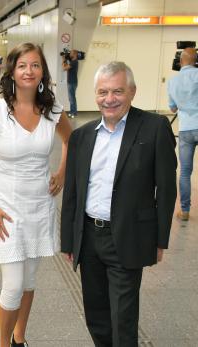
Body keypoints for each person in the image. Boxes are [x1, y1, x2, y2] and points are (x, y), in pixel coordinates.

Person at [60, 61, 177, 347]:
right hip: (89, 238)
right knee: (96, 316)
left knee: (123, 318)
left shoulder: (154, 128)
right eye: (102, 92)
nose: (109, 99)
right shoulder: (82, 136)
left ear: (132, 92)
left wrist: (159, 239)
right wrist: (68, 241)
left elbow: (166, 189)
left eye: (117, 91)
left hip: (127, 235)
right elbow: (72, 193)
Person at [0, 43, 71, 347]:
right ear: (12, 72)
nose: (29, 71)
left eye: (35, 65)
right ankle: (3, 344)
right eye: (22, 65)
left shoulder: (52, 110)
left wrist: (62, 173)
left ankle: (19, 338)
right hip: (7, 210)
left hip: (40, 207)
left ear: (43, 72)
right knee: (13, 285)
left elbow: (73, 141)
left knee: (28, 281)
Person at [168, 47, 198, 221]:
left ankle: (185, 211)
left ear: (181, 61)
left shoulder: (173, 81)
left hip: (185, 129)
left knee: (185, 171)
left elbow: (172, 108)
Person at [62, 50, 79, 118]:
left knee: (72, 98)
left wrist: (63, 60)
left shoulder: (74, 62)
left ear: (75, 54)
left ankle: (73, 113)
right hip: (71, 82)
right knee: (71, 98)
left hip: (72, 82)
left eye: (71, 53)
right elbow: (66, 67)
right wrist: (65, 61)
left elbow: (64, 68)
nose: (70, 54)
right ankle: (73, 112)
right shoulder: (73, 62)